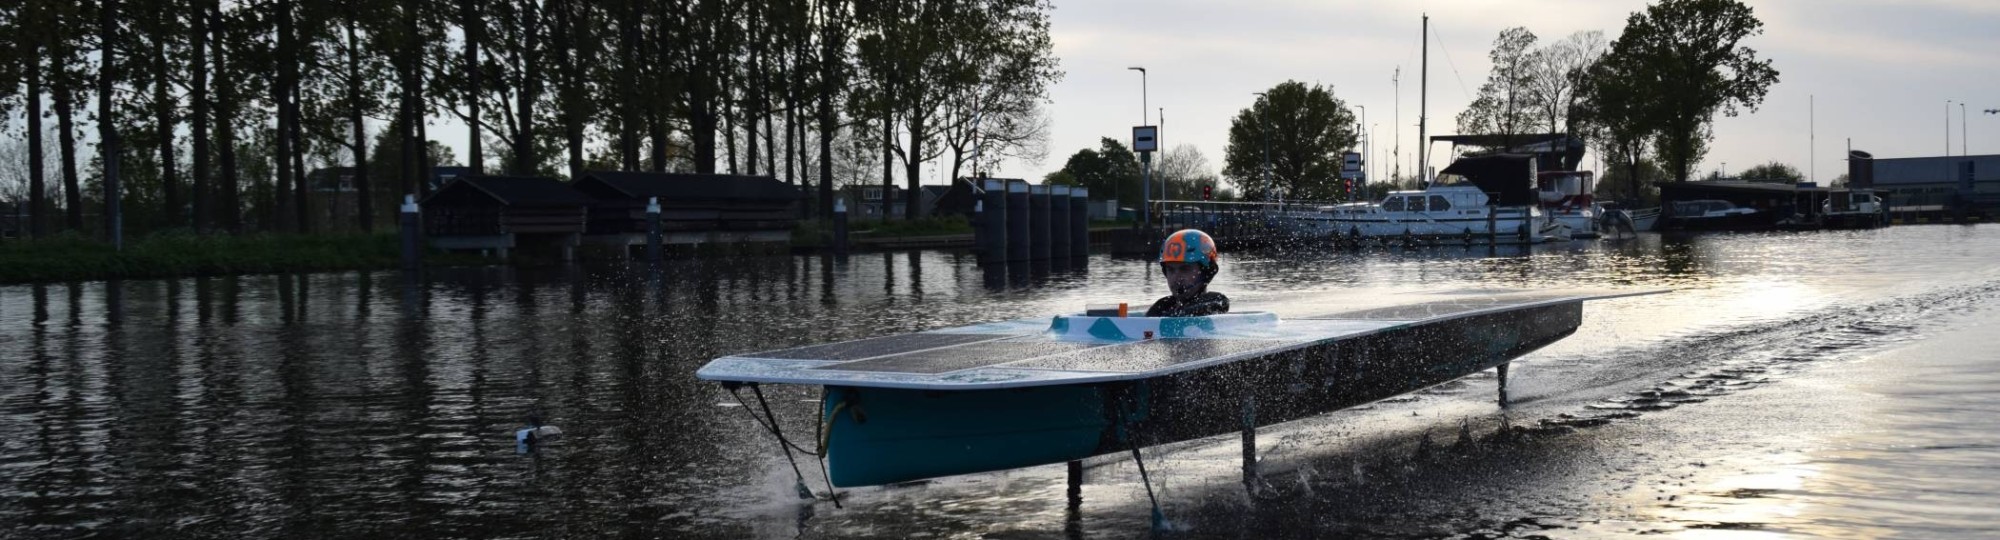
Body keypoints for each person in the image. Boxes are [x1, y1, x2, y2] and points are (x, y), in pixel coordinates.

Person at [1146, 229, 1230, 317]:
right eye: (1171, 269)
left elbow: (1217, 304)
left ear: (1206, 273)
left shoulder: (1216, 302)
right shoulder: (1161, 307)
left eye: (1185, 269)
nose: (1176, 278)